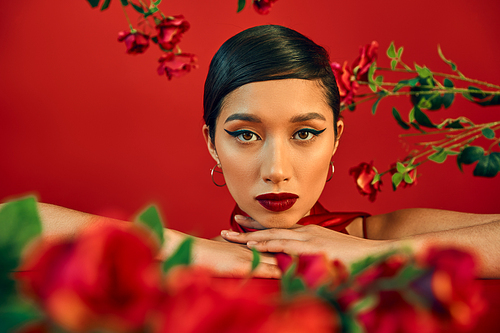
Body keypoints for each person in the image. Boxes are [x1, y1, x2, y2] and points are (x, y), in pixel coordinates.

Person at [3, 25, 499, 279]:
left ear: (336, 140)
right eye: (245, 134)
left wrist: (372, 256)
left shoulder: (377, 235)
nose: (276, 170)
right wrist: (191, 250)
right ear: (211, 144)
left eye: (304, 133)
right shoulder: (192, 259)